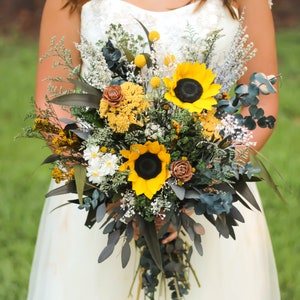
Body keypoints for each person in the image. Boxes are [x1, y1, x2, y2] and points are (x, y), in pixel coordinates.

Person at [28, 0, 280, 299]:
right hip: (100, 203)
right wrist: (110, 186)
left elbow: (261, 101)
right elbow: (51, 101)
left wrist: (200, 184)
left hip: (211, 206)